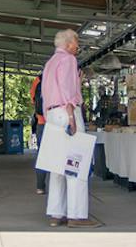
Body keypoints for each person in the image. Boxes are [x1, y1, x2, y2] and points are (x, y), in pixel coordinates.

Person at [41, 28, 97, 227]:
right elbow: (66, 90)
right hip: (67, 113)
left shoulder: (50, 63)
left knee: (56, 167)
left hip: (52, 115)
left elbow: (46, 93)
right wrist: (71, 115)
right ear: (67, 44)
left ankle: (56, 214)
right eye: (76, 42)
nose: (78, 45)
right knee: (75, 164)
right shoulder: (69, 61)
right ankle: (77, 215)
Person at [29, 74, 47, 195]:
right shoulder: (61, 77)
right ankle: (61, 187)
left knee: (42, 155)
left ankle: (40, 186)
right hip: (59, 122)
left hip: (42, 122)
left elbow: (33, 99)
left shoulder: (39, 79)